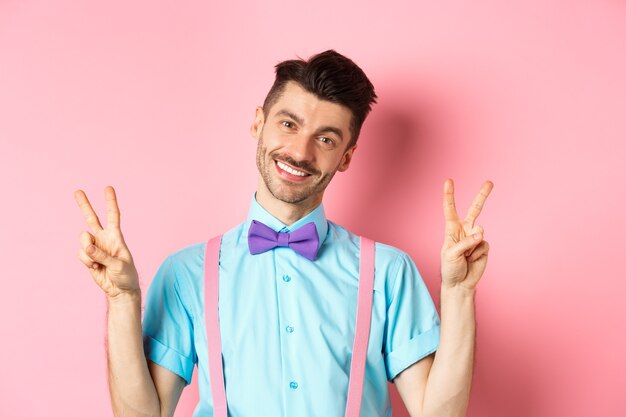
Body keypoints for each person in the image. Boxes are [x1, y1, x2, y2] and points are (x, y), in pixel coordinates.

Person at [75, 50, 493, 417]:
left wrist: (459, 294)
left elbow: (435, 413)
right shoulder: (186, 272)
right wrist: (122, 300)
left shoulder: (389, 271)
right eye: (289, 124)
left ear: (346, 157)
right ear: (258, 123)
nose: (299, 152)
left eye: (325, 139)